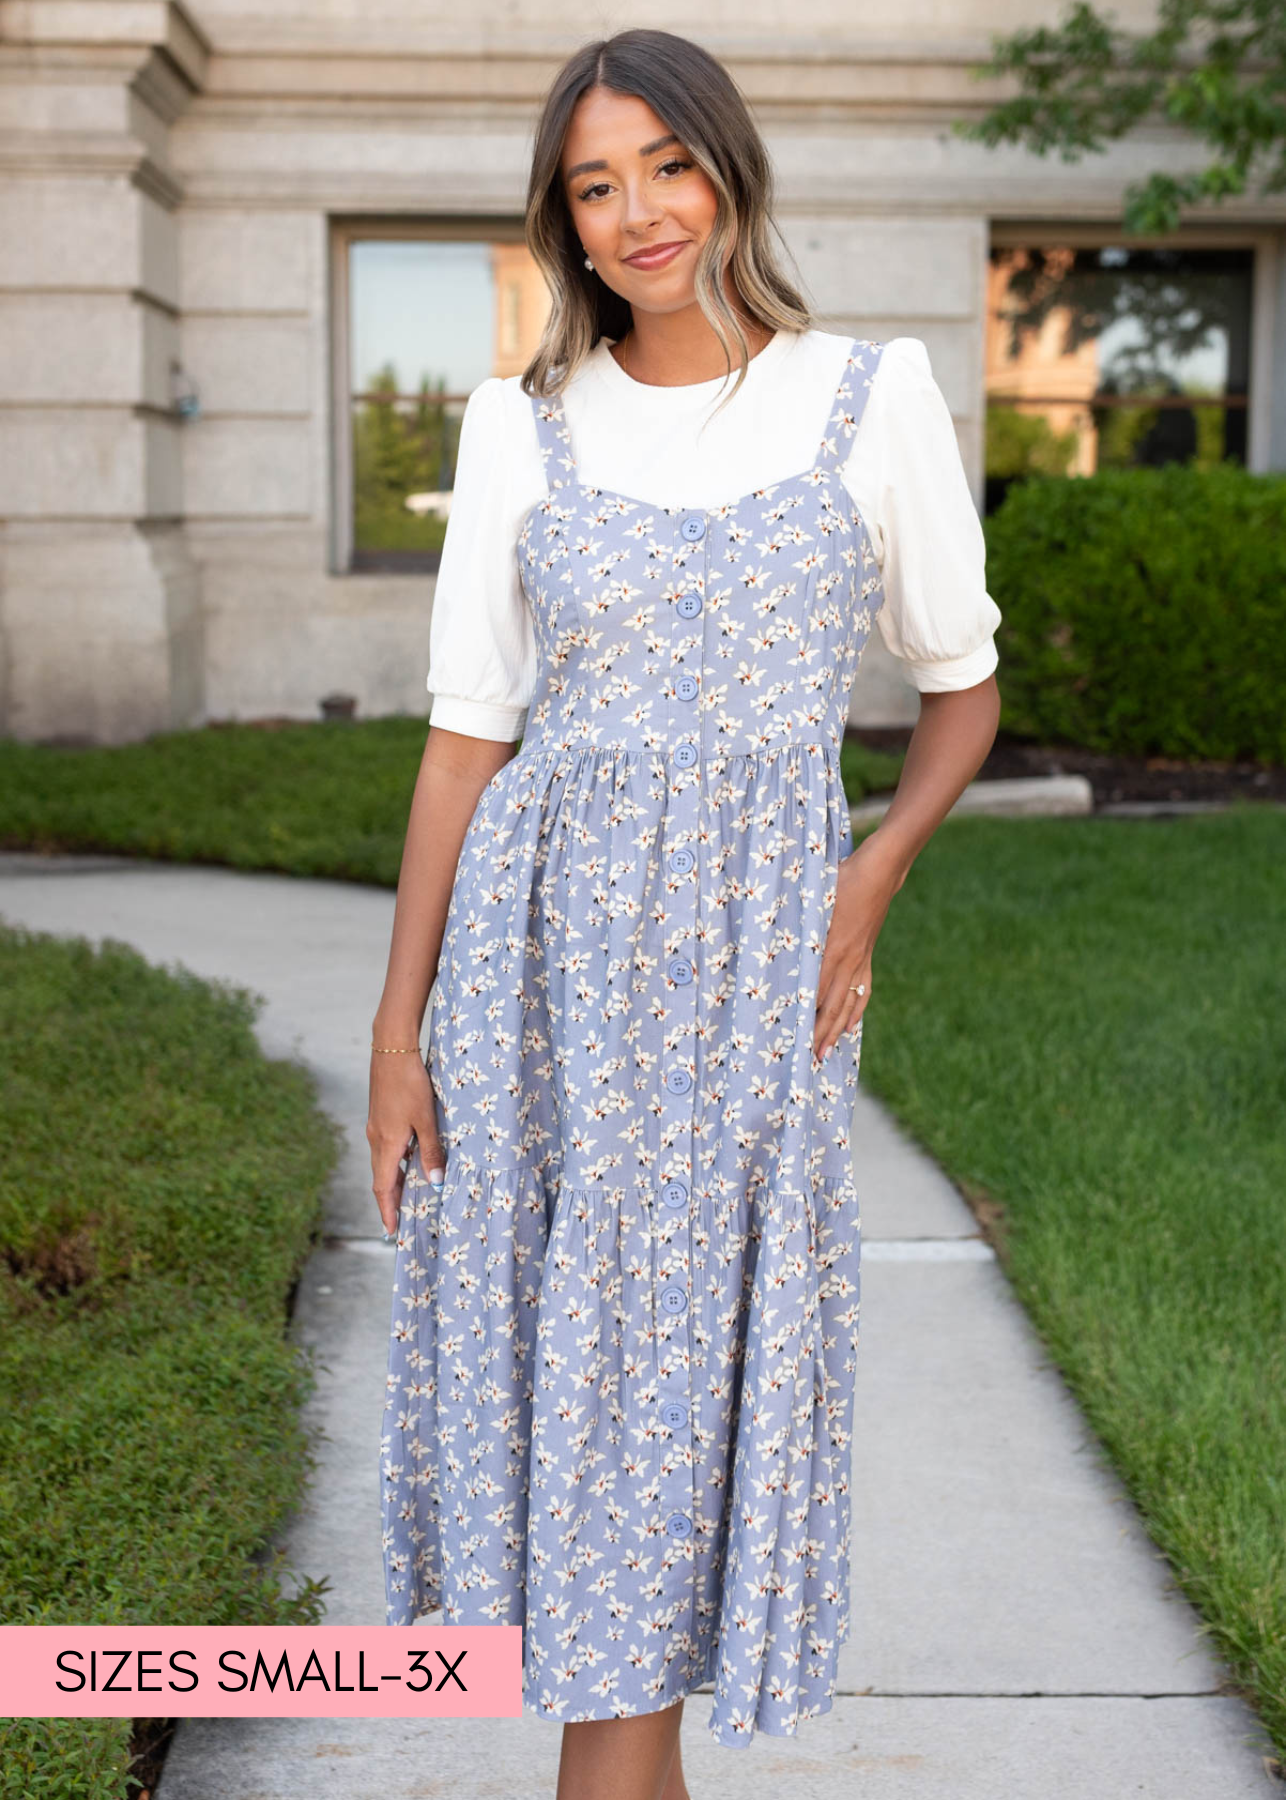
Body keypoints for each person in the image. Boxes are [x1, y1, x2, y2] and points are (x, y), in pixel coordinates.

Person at [368, 27, 1002, 1800]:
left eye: (662, 164)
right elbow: (461, 744)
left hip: (754, 970)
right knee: (582, 1404)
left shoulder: (872, 397)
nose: (636, 212)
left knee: (684, 1387)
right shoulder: (521, 422)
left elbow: (960, 688)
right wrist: (395, 1032)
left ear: (726, 166)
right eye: (592, 184)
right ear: (561, 222)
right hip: (538, 966)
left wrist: (864, 877)